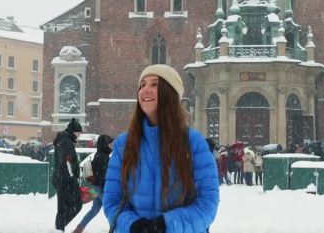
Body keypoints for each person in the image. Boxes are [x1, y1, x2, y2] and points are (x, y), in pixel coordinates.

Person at [103, 64, 219, 233]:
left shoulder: (193, 142)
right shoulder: (124, 144)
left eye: (154, 84)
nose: (145, 90)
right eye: (142, 85)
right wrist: (133, 226)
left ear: (170, 94)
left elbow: (207, 203)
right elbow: (112, 201)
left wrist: (166, 225)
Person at [72, 134, 113, 233]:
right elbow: (104, 175)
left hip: (96, 187)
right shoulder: (103, 156)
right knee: (111, 208)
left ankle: (79, 229)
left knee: (94, 210)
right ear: (105, 144)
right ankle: (115, 229)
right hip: (100, 188)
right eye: (110, 143)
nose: (111, 146)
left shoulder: (98, 154)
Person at [52, 118, 83, 233]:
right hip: (65, 180)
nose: (79, 134)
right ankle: (60, 226)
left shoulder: (63, 140)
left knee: (63, 206)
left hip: (60, 178)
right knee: (77, 204)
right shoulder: (67, 142)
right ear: (73, 131)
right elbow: (67, 161)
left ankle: (59, 227)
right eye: (78, 132)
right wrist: (72, 178)